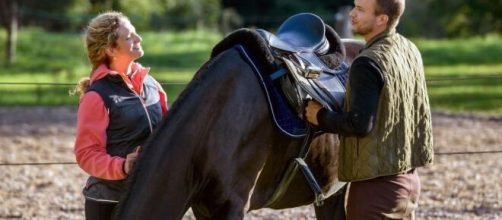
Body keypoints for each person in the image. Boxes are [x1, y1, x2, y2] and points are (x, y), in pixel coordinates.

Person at [305, 0, 433, 219]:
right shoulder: (409, 49)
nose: (352, 14)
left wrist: (319, 116)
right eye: (355, 6)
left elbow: (360, 124)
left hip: (375, 192)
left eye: (361, 10)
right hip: (409, 182)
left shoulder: (367, 62)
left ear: (382, 19)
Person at [72, 11, 168, 219]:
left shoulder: (152, 85)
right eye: (129, 37)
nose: (138, 38)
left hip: (150, 197)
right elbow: (86, 154)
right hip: (109, 201)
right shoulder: (96, 96)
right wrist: (122, 166)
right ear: (110, 50)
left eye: (135, 33)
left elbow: (168, 133)